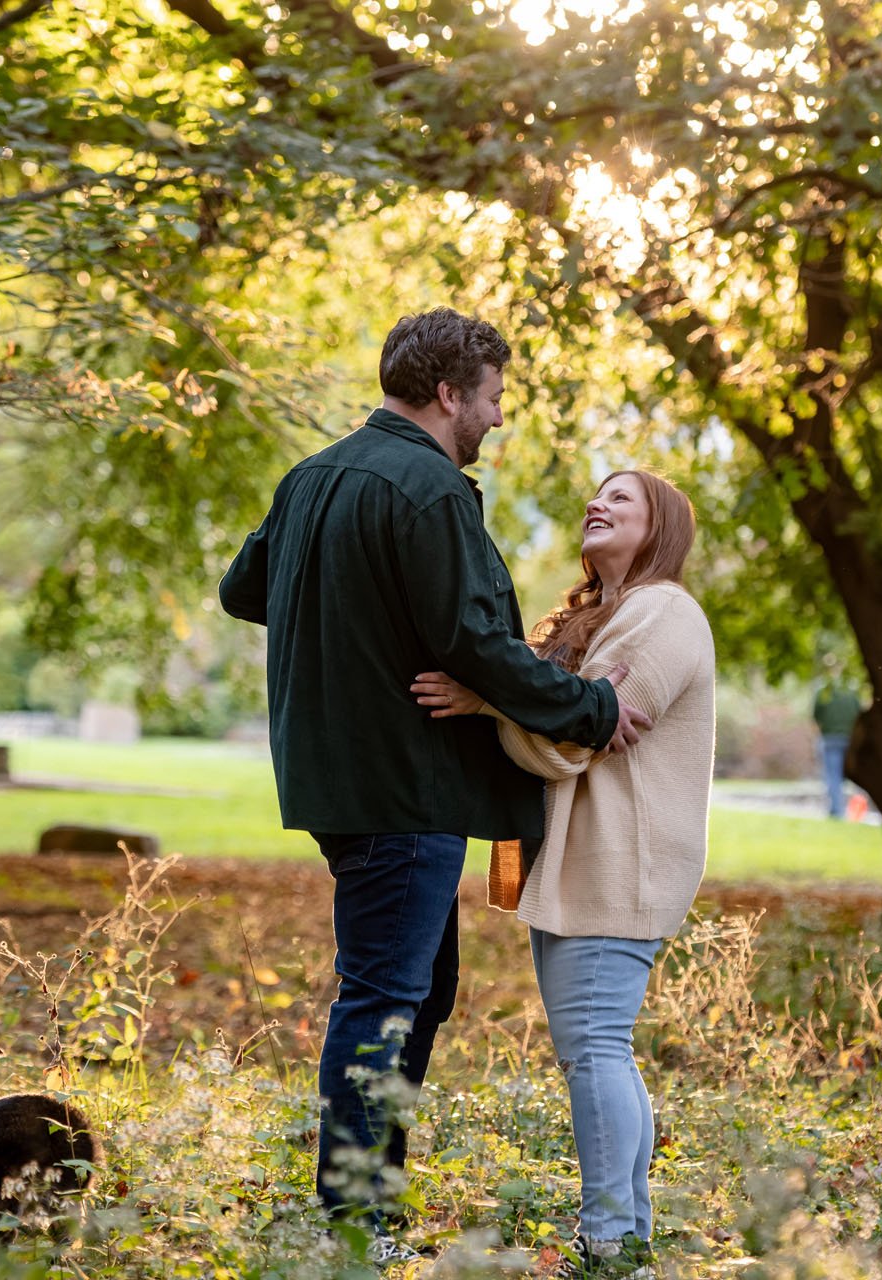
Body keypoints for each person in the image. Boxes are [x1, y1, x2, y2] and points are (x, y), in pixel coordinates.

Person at [217, 308, 654, 1257]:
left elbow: (243, 589)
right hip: (400, 783)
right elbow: (474, 643)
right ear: (450, 392)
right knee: (382, 995)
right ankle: (355, 1221)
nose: (497, 419)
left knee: (422, 988)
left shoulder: (308, 479)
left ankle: (376, 1197)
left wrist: (351, 625)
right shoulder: (431, 490)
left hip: (340, 778)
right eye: (493, 398)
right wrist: (589, 709)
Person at [410, 469, 714, 1274]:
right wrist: (521, 700)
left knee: (595, 1051)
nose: (598, 504)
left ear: (661, 529)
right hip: (577, 860)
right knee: (600, 1049)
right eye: (597, 494)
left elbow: (575, 739)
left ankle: (611, 1239)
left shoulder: (663, 615)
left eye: (623, 498)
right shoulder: (601, 615)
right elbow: (564, 712)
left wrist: (488, 702)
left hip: (620, 860)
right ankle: (628, 1233)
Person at [811, 677, 861, 819]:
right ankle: (854, 810)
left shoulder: (823, 692)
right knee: (850, 776)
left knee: (833, 776)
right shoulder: (853, 693)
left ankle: (838, 811)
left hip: (830, 739)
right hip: (850, 739)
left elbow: (816, 717)